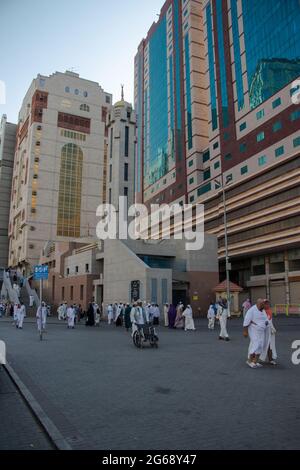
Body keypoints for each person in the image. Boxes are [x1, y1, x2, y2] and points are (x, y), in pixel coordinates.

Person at [243, 299, 269, 369]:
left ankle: (255, 361)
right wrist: (245, 331)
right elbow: (246, 320)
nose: (264, 305)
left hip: (261, 331)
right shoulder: (251, 310)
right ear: (259, 304)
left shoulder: (263, 310)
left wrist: (266, 323)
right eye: (263, 304)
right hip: (253, 330)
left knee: (261, 345)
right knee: (256, 344)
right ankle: (249, 360)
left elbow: (266, 319)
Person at [260, 300, 278, 365]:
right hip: (262, 331)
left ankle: (271, 360)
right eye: (265, 304)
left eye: (268, 304)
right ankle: (254, 359)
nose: (267, 305)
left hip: (269, 331)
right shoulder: (261, 311)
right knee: (259, 345)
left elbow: (270, 321)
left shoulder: (269, 311)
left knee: (270, 345)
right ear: (263, 305)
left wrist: (272, 328)